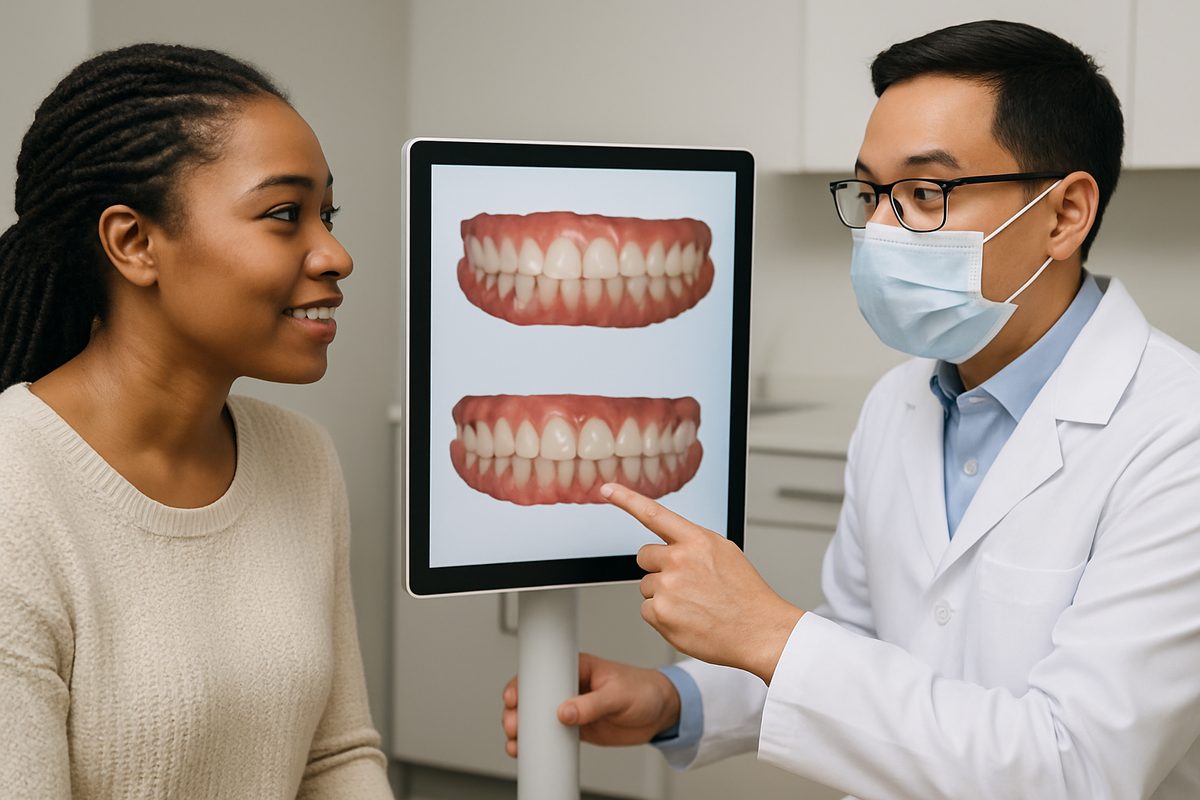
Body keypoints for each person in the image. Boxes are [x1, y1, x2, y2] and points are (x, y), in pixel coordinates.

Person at [502, 19, 1200, 799]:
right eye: (870, 192)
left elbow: (1076, 767)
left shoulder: (1177, 436)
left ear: (1065, 214)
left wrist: (767, 629)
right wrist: (678, 701)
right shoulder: (899, 401)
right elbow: (864, 649)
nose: (878, 229)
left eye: (925, 193)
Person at [0, 44, 394, 797]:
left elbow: (336, 759)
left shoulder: (301, 457)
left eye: (328, 214)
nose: (336, 254)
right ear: (134, 243)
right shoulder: (14, 490)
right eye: (285, 215)